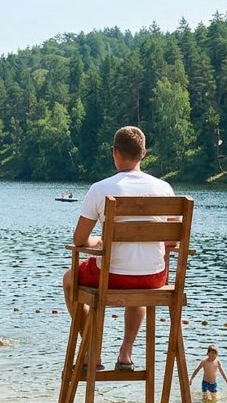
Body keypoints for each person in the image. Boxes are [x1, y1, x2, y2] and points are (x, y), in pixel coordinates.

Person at [62, 126, 174, 370]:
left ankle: (92, 349)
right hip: (152, 279)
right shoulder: (164, 189)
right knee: (139, 276)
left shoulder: (101, 189)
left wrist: (98, 242)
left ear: (114, 152)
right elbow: (172, 242)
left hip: (111, 277)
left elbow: (80, 240)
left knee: (70, 279)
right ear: (143, 153)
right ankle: (125, 354)